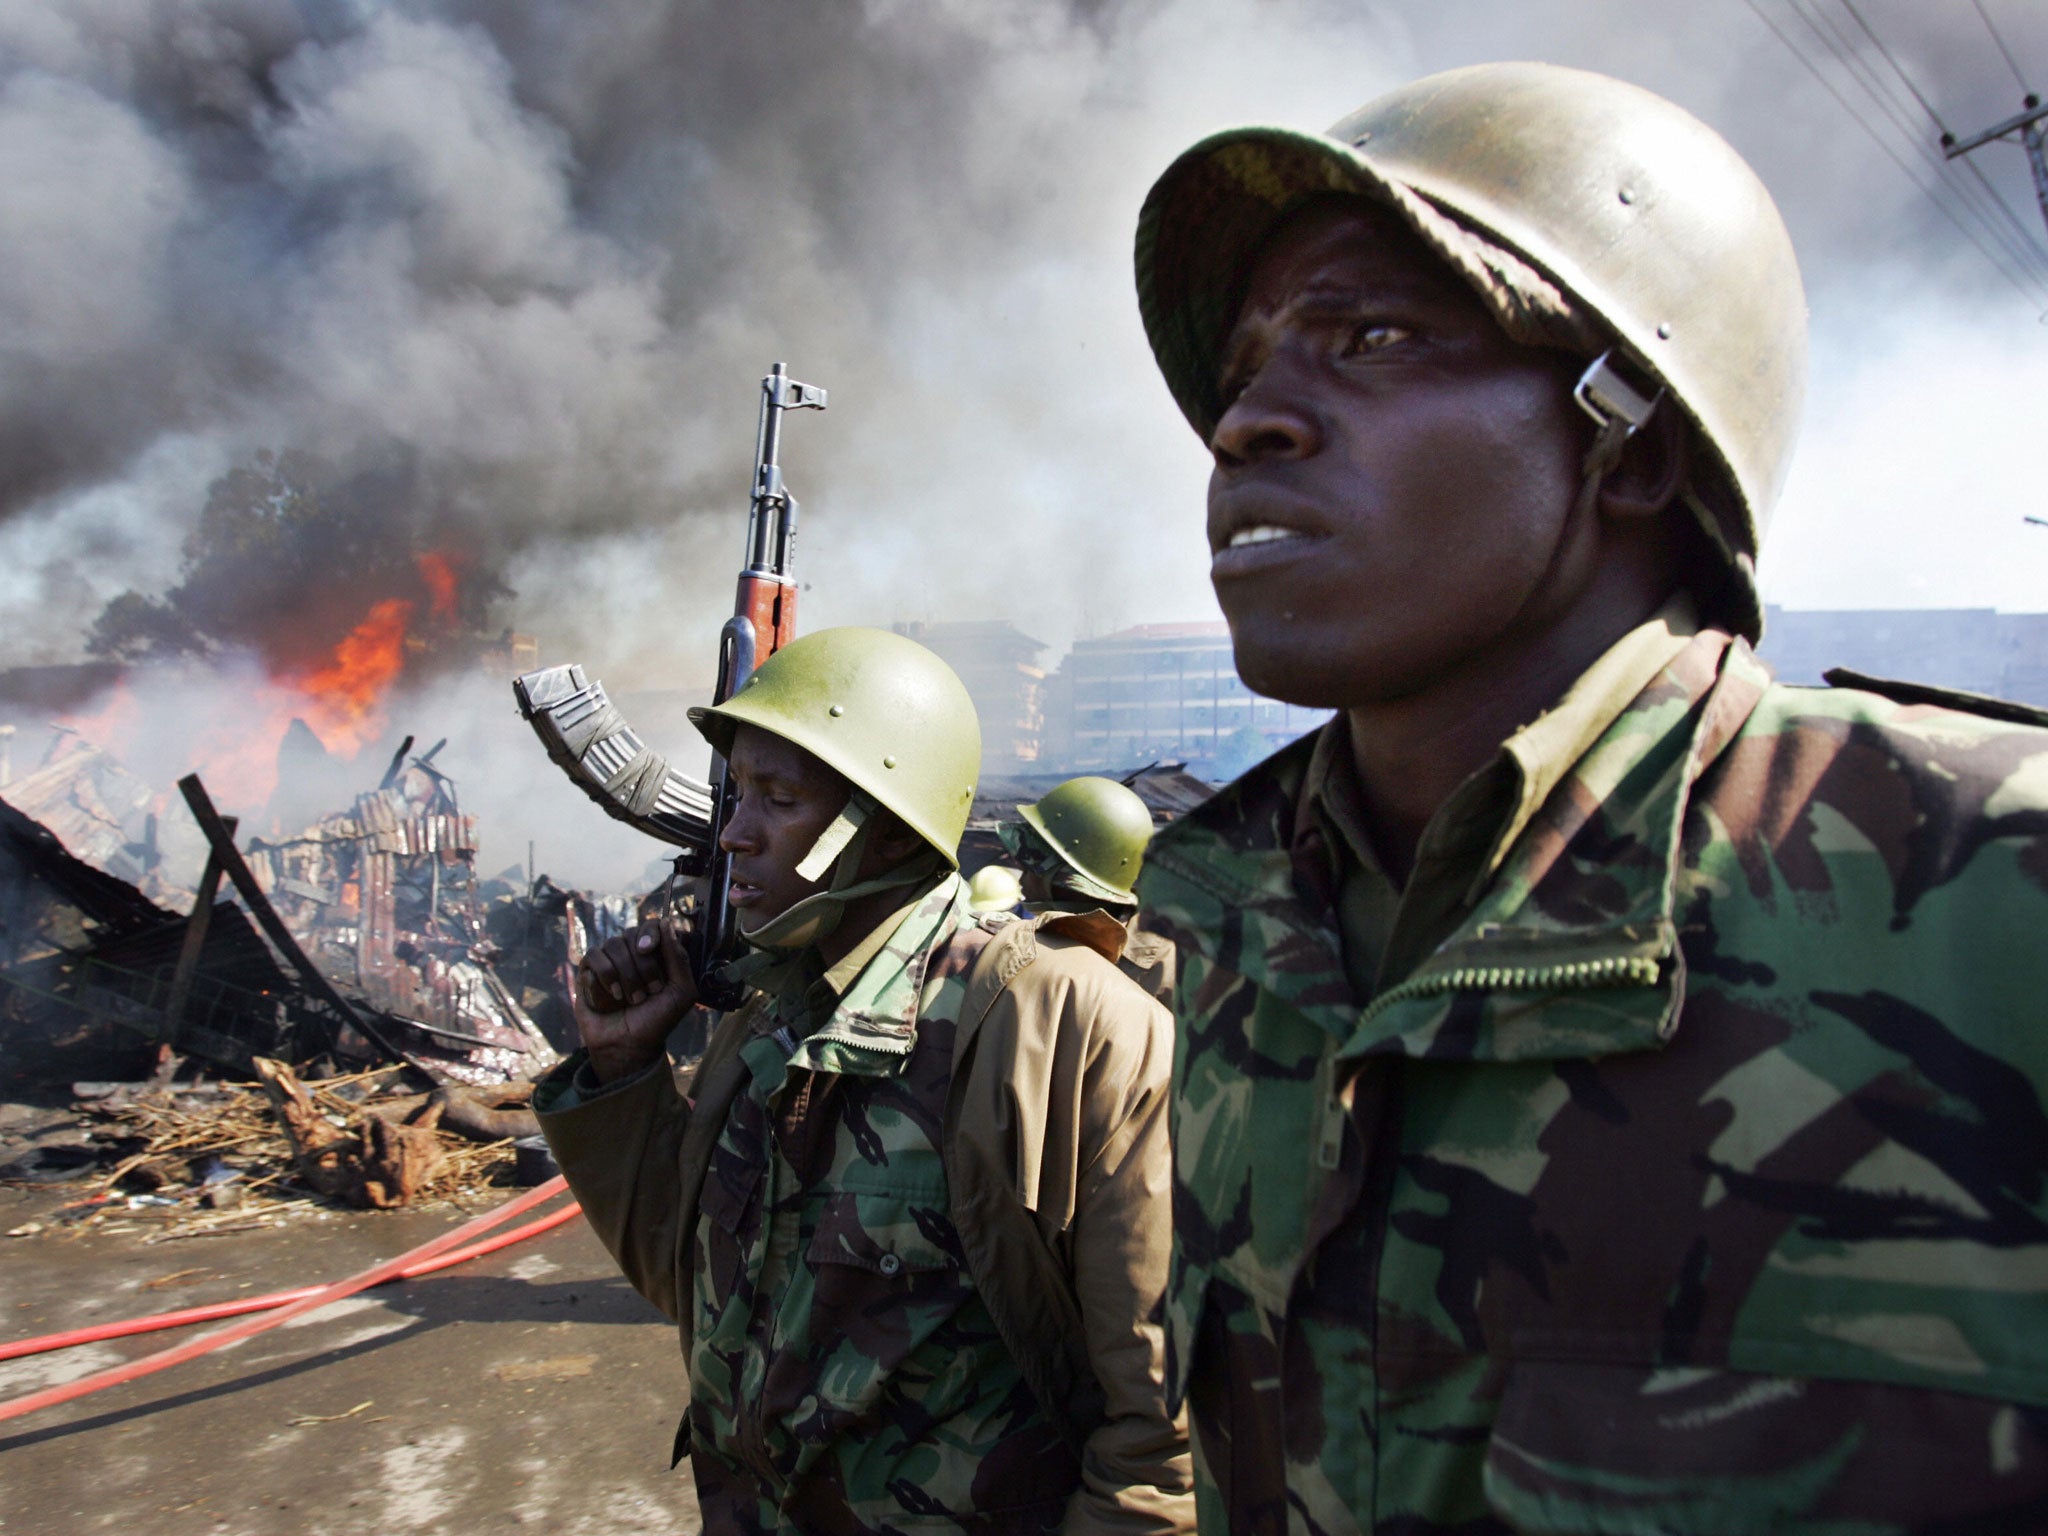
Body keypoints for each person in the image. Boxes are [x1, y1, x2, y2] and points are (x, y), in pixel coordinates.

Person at [1129, 61, 2048, 1533]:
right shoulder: (1239, 937)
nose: (1249, 426)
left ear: (1638, 443)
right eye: (1242, 375)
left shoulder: (1988, 883)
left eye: (1369, 336)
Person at [534, 626, 1193, 1535]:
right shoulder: (766, 1017)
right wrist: (622, 1071)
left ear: (882, 830)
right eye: (738, 795)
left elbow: (1162, 1443)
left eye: (777, 798)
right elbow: (703, 1292)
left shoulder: (1064, 1028)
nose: (733, 833)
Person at [1002, 775, 1176, 1003]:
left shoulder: (1175, 971)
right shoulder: (1020, 943)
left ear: (1069, 881)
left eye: (1033, 868)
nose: (1022, 881)